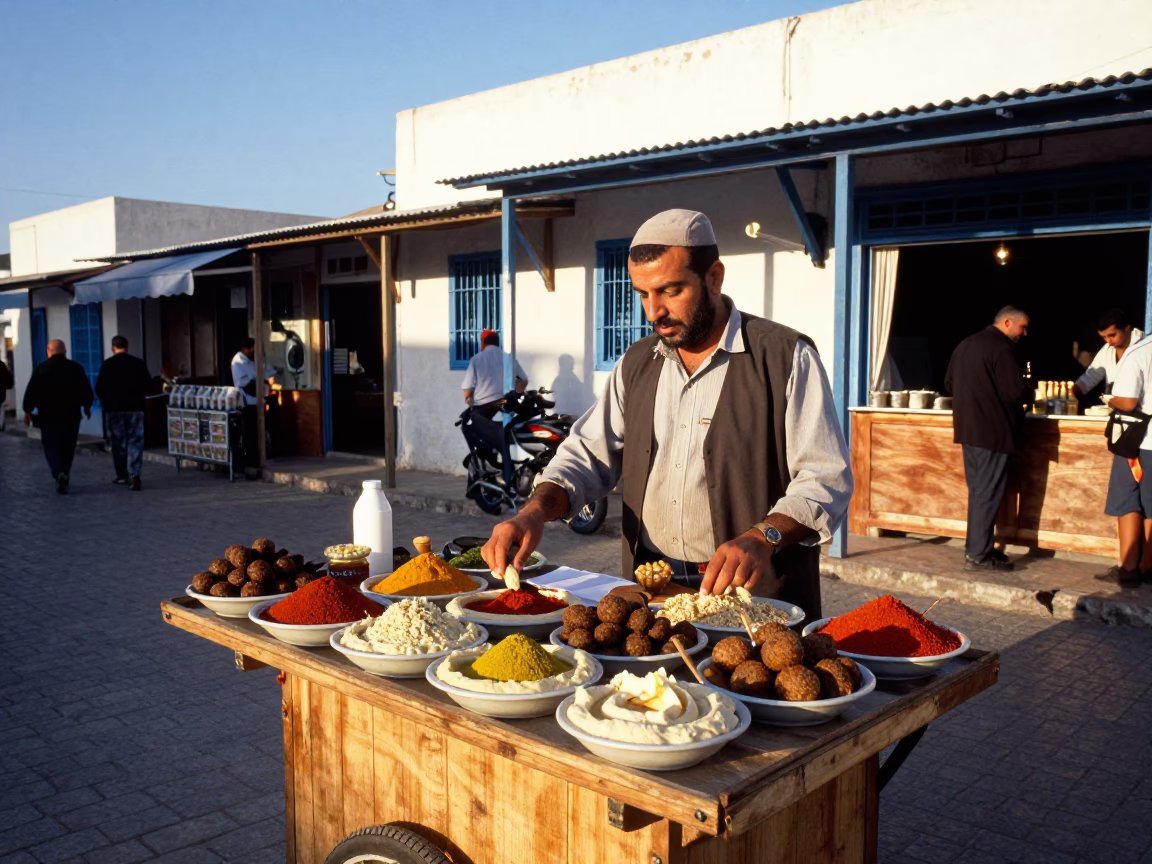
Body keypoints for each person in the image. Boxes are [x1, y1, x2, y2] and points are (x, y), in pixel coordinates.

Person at [480, 209, 852, 617]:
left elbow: (824, 477)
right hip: (651, 588)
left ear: (714, 277)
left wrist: (763, 537)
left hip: (754, 598)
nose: (653, 311)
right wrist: (534, 512)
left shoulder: (784, 357)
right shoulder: (637, 362)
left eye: (670, 291)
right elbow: (587, 455)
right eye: (642, 293)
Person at [944, 306, 1030, 572]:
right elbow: (1013, 393)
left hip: (969, 431)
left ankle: (978, 547)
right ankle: (979, 553)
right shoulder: (1002, 349)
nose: (1024, 333)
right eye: (1022, 327)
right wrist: (1029, 392)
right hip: (993, 432)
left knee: (979, 492)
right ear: (1007, 323)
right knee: (987, 493)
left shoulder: (965, 345)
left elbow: (949, 384)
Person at [1096, 329, 1152, 585]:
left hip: (1141, 441)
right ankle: (1148, 567)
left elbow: (1128, 402)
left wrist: (1111, 399)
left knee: (1128, 499)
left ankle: (1129, 569)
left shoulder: (1139, 352)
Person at [22, 339, 93, 494]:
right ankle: (65, 472)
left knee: (51, 446)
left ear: (49, 351)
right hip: (71, 415)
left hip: (48, 416)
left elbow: (31, 392)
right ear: (65, 351)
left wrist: (28, 411)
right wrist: (87, 407)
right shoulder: (75, 368)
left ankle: (58, 472)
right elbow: (86, 391)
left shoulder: (41, 369)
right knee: (68, 446)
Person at [95, 335, 152, 491]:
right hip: (135, 409)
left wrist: (106, 402)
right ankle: (135, 474)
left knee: (118, 443)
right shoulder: (138, 363)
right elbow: (148, 386)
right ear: (127, 346)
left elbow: (99, 388)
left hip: (114, 410)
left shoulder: (107, 365)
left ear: (113, 347)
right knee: (136, 442)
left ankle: (122, 475)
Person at [1074, 308, 1143, 405]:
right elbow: (1091, 376)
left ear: (1127, 328)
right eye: (1104, 337)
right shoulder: (1108, 349)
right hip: (1114, 409)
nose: (1108, 341)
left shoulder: (1144, 347)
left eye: (1112, 335)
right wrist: (1070, 392)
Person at [230, 338, 274, 476]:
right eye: (252, 349)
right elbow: (246, 383)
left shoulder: (251, 361)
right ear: (246, 349)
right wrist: (260, 386)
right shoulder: (238, 362)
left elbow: (261, 374)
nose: (254, 351)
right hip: (247, 402)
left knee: (258, 432)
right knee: (250, 434)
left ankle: (256, 460)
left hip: (257, 401)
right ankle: (250, 464)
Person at [461, 329, 527, 419]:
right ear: (497, 342)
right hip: (505, 406)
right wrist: (516, 394)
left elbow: (467, 388)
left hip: (482, 408)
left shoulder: (476, 359)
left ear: (483, 342)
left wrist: (468, 401)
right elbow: (524, 380)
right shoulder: (509, 358)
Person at [0, 355, 13, 430]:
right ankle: (1, 425)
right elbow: (8, 379)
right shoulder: (2, 365)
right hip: (1, 394)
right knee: (1, 409)